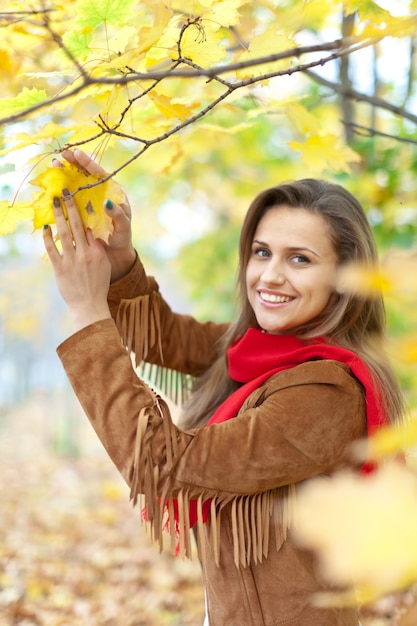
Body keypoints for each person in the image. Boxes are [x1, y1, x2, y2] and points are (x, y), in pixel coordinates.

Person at [43, 149, 404, 626]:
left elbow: (165, 466)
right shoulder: (264, 351)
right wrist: (120, 260)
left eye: (300, 258)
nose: (270, 276)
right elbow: (168, 338)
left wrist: (88, 314)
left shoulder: (325, 391)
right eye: (262, 252)